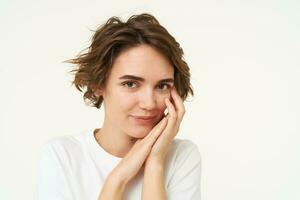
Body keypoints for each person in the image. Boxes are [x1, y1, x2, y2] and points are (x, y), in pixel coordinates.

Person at [37, 13, 201, 200]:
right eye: (130, 84)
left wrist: (155, 163)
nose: (149, 103)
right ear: (98, 84)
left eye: (162, 86)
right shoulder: (62, 156)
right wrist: (118, 179)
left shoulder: (181, 156)